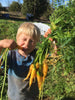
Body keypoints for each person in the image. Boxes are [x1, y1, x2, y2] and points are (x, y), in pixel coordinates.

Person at [0, 22, 41, 100]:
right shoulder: (11, 55)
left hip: (32, 97)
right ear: (17, 39)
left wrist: (53, 42)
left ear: (36, 43)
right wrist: (0, 45)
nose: (27, 44)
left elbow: (54, 57)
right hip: (13, 97)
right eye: (24, 39)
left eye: (31, 41)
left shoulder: (38, 55)